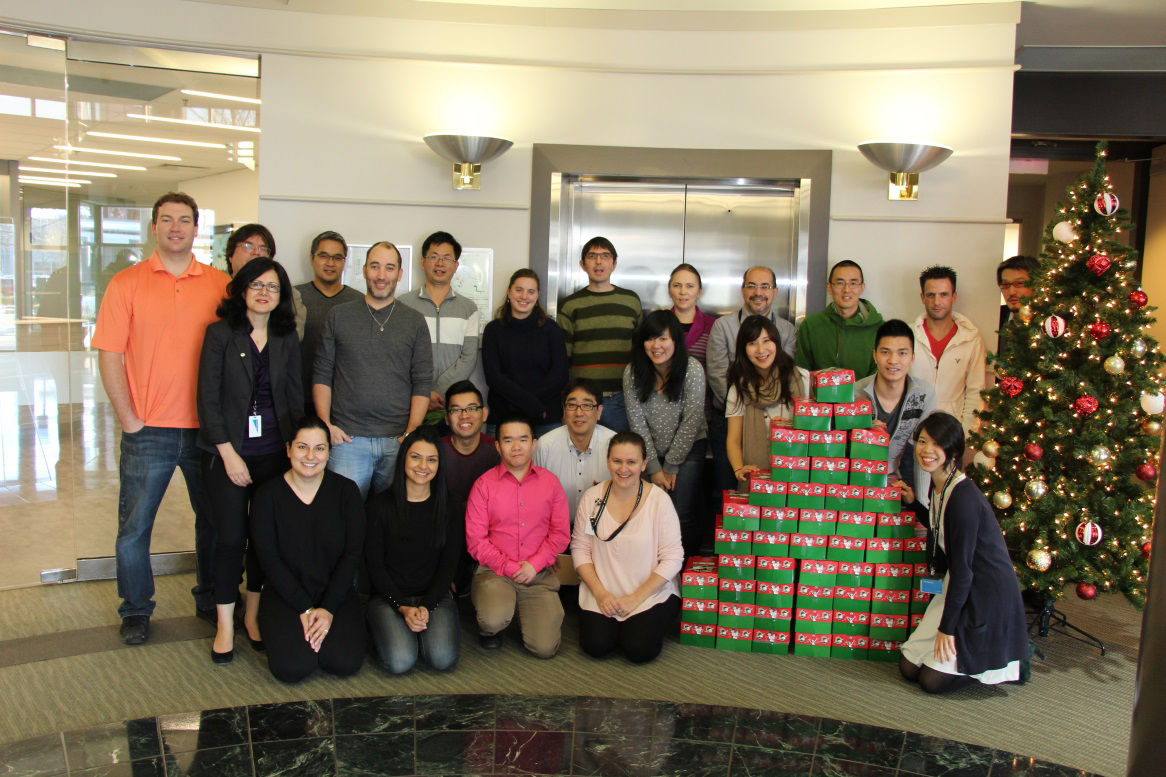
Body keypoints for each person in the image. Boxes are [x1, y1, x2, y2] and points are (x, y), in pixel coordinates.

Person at [93, 192, 230, 645]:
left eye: (185, 220)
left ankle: (210, 598)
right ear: (155, 226)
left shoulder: (219, 285)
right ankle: (135, 608)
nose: (176, 227)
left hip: (206, 430)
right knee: (134, 528)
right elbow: (109, 354)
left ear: (196, 229)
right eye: (167, 219)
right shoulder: (126, 283)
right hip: (146, 430)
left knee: (212, 523)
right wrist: (128, 418)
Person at [197, 258, 303, 663]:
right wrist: (228, 454)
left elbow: (293, 398)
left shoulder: (285, 337)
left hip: (274, 454)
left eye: (273, 288)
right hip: (226, 455)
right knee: (228, 540)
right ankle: (225, 624)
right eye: (257, 284)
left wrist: (296, 453)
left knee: (263, 540)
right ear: (242, 289)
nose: (264, 293)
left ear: (281, 297)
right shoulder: (220, 334)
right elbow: (207, 400)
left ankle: (253, 616)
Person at [896, 412, 1027, 693]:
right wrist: (914, 505)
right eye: (922, 441)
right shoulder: (939, 482)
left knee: (931, 682)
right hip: (958, 584)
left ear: (954, 450)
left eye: (936, 444)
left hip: (983, 594)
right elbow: (940, 524)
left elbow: (964, 570)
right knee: (908, 668)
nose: (926, 451)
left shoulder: (964, 497)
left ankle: (997, 661)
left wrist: (948, 628)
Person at [313, 241, 433, 499]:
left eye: (389, 268)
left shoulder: (414, 321)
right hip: (347, 441)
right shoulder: (339, 315)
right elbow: (322, 372)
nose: (381, 275)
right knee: (346, 518)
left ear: (399, 274)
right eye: (375, 266)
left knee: (391, 521)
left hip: (397, 440)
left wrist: (411, 432)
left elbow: (422, 381)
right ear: (365, 269)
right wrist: (326, 424)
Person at [250, 417, 366, 683]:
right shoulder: (267, 496)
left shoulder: (346, 492)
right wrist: (304, 609)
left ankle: (324, 625)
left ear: (329, 451)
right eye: (302, 447)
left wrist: (327, 609)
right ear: (289, 449)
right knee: (292, 668)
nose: (310, 456)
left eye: (319, 448)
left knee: (344, 662)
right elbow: (269, 559)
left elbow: (352, 555)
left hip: (334, 592)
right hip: (285, 594)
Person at [571, 431, 683, 664]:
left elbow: (673, 558)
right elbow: (580, 549)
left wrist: (635, 598)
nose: (624, 469)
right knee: (596, 646)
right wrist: (601, 593)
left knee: (639, 650)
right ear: (608, 461)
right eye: (617, 461)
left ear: (644, 464)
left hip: (649, 593)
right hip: (604, 591)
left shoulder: (659, 501)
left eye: (631, 462)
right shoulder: (592, 498)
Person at [465, 413, 570, 657]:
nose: (516, 447)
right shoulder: (483, 485)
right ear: (498, 446)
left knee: (545, 648)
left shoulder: (551, 484)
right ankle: (493, 627)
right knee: (492, 619)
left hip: (538, 573)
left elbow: (560, 534)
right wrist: (510, 567)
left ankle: (524, 613)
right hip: (496, 571)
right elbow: (476, 541)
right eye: (508, 440)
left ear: (534, 444)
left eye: (523, 439)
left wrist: (534, 565)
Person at [366, 426, 461, 674]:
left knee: (442, 659)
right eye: (415, 457)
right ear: (404, 459)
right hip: (389, 597)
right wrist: (402, 606)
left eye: (432, 459)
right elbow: (374, 566)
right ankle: (393, 632)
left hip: (434, 597)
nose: (423, 466)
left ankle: (415, 629)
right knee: (400, 662)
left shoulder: (450, 506)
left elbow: (449, 565)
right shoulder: (380, 506)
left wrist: (426, 606)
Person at [706, 267, 797, 499]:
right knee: (729, 491)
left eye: (765, 286)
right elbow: (717, 375)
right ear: (743, 289)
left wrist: (769, 402)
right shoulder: (723, 326)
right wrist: (747, 402)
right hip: (730, 416)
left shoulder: (787, 329)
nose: (758, 292)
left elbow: (785, 374)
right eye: (751, 286)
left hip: (780, 420)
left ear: (775, 292)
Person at [623, 310, 707, 556]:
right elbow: (636, 422)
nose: (656, 345)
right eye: (650, 339)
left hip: (689, 448)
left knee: (681, 511)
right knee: (651, 513)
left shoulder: (692, 369)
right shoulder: (633, 372)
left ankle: (684, 573)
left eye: (663, 339)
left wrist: (670, 466)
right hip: (650, 454)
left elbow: (692, 420)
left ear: (675, 342)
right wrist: (654, 469)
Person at [557, 236, 643, 433]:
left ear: (614, 263)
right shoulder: (570, 305)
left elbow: (640, 351)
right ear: (582, 264)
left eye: (605, 256)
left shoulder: (630, 301)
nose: (598, 262)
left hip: (622, 399)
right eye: (592, 256)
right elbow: (564, 358)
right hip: (583, 402)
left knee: (620, 458)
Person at [398, 231, 480, 425]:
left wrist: (439, 392)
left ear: (456, 265)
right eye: (434, 257)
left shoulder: (469, 309)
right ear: (422, 262)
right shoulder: (403, 305)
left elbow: (468, 358)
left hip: (450, 407)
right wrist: (423, 392)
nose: (440, 263)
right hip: (409, 403)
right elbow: (398, 356)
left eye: (446, 258)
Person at [854, 319, 936, 501]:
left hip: (903, 483)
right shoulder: (855, 394)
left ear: (912, 358)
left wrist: (921, 503)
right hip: (858, 484)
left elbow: (925, 451)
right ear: (875, 355)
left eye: (902, 353)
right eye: (885, 352)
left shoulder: (924, 395)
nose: (893, 361)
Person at [482, 268, 568, 436]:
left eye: (531, 291)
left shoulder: (552, 329)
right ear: (509, 292)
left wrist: (532, 405)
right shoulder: (493, 330)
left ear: (537, 296)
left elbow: (560, 375)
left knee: (545, 464)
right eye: (518, 290)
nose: (524, 296)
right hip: (504, 418)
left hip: (545, 418)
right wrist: (530, 404)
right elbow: (494, 377)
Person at [725, 315, 810, 486]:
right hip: (758, 478)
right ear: (743, 349)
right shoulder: (739, 388)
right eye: (752, 343)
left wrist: (788, 427)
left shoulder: (802, 379)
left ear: (777, 343)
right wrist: (739, 468)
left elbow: (816, 429)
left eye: (766, 341)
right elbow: (733, 439)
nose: (760, 350)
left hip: (797, 475)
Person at [909, 266, 986, 433]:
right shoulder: (907, 336)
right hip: (911, 434)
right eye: (931, 295)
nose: (937, 302)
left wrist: (965, 436)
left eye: (943, 294)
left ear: (954, 297)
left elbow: (976, 392)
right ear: (922, 297)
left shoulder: (971, 340)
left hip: (951, 434)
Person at [440, 380, 500, 594]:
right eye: (456, 410)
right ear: (447, 418)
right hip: (444, 537)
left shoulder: (498, 451)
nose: (464, 416)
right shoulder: (435, 452)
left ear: (484, 413)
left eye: (472, 408)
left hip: (488, 536)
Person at [296, 231, 363, 413]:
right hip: (300, 398)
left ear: (345, 262)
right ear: (312, 258)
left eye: (337, 258)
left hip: (345, 401)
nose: (330, 263)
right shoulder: (294, 297)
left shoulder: (359, 302)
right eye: (324, 256)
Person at [534, 378, 617, 522]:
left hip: (602, 530)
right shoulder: (545, 445)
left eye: (586, 405)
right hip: (554, 529)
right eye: (572, 405)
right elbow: (534, 497)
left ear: (599, 411)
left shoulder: (614, 445)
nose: (579, 413)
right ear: (564, 410)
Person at [795, 259, 885, 377]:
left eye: (853, 283)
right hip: (820, 395)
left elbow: (880, 374)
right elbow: (803, 373)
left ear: (862, 288)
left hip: (865, 395)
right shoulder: (811, 325)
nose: (846, 290)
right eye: (840, 283)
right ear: (829, 287)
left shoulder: (880, 329)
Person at [223, 224, 306, 340]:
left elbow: (292, 339)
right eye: (248, 246)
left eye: (263, 248)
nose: (256, 252)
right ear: (230, 255)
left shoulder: (287, 293)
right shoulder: (216, 286)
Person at [668, 263, 718, 372]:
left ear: (699, 292)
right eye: (677, 285)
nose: (683, 292)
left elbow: (717, 369)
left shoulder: (714, 326)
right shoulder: (659, 322)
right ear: (669, 291)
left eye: (689, 286)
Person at [996, 254, 1040, 351]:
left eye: (1019, 283)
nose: (1011, 292)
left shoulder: (1048, 322)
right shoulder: (995, 316)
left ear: (1036, 285)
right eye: (1005, 284)